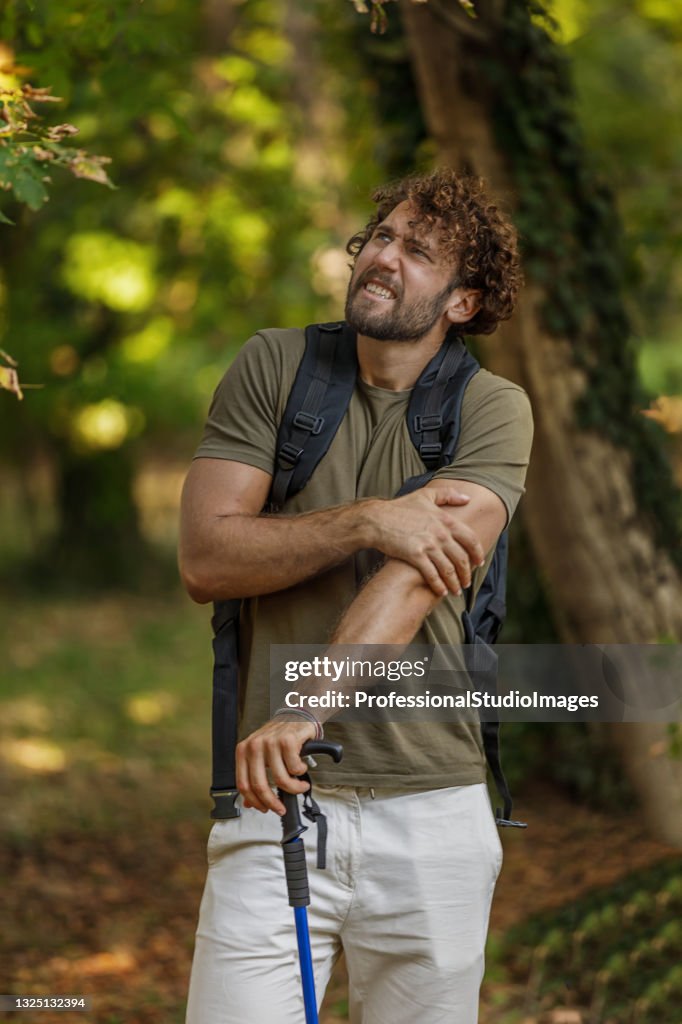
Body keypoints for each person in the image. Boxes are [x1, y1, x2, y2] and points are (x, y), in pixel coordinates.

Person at [179, 168, 533, 1024]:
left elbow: (415, 581)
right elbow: (207, 560)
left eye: (419, 252)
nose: (385, 257)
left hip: (434, 815)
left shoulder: (493, 410)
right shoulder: (276, 365)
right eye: (382, 236)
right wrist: (370, 519)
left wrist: (305, 710)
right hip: (274, 805)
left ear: (462, 301)